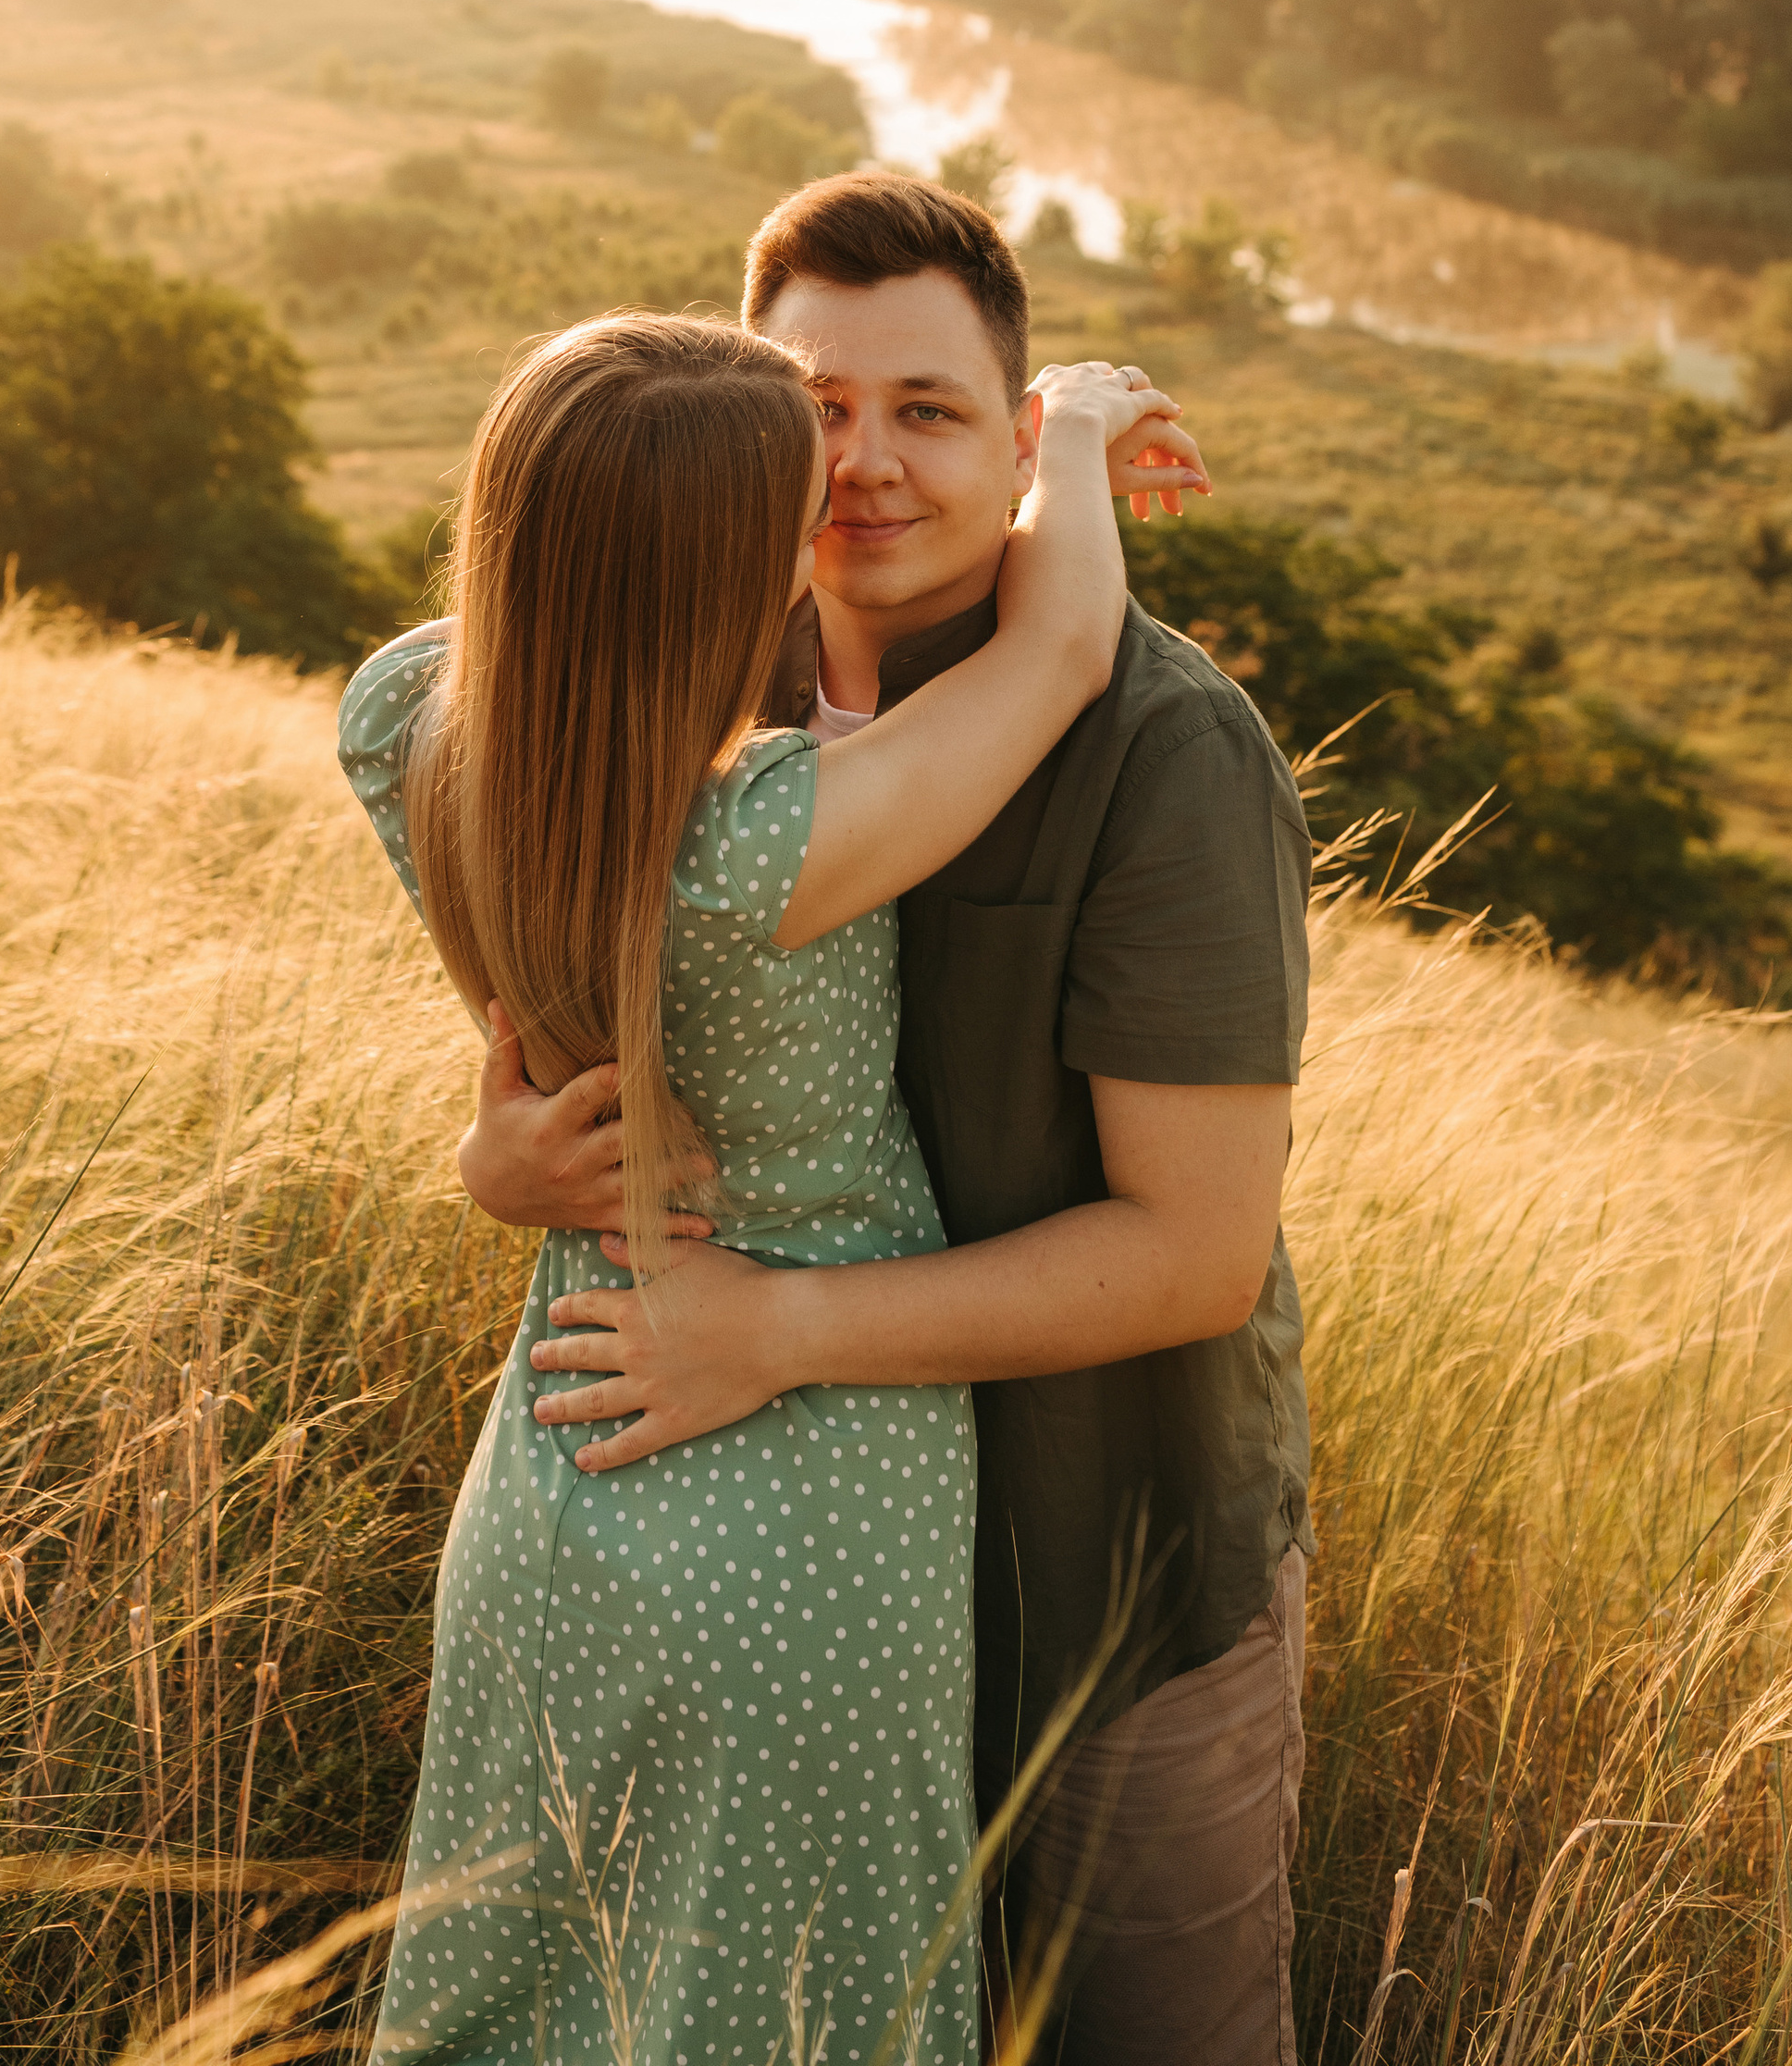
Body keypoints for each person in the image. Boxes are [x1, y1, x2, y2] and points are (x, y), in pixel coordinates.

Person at [474, 179, 1315, 2066]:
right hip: (770, 1570)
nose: (857, 465)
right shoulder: (684, 681)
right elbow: (553, 1029)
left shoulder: (1158, 745)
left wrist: (771, 1334)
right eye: (808, 405)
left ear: (1017, 440)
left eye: (923, 410)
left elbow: (1193, 1254)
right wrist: (495, 1156)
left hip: (1101, 1570)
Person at [336, 306, 1202, 2065]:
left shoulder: (418, 737)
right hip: (808, 1505)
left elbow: (531, 612)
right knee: (792, 2007)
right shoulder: (767, 844)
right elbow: (1059, 657)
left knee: (534, 2001)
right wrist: (1075, 437)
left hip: (561, 1465)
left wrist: (491, 1154)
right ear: (725, 592)